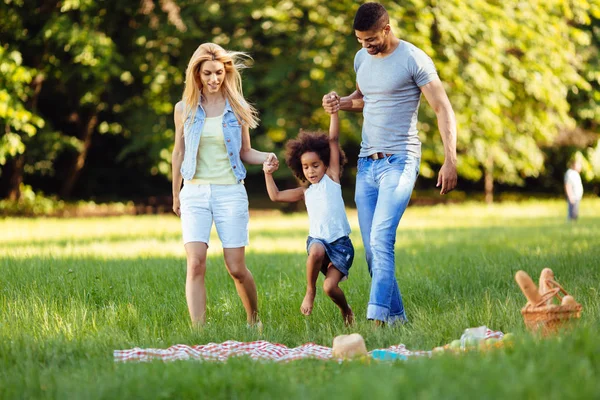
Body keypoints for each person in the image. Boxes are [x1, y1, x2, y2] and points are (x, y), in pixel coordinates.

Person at [322, 2, 458, 325]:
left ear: (386, 28)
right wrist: (340, 102)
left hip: (400, 160)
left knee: (382, 239)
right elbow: (365, 99)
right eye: (360, 41)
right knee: (371, 251)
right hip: (367, 165)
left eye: (370, 39)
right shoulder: (361, 59)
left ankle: (375, 322)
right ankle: (398, 319)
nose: (365, 46)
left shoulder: (413, 58)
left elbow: (442, 108)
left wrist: (450, 159)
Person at [171, 43, 278, 327]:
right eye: (207, 73)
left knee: (236, 268)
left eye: (219, 72)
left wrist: (267, 157)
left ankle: (254, 321)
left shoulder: (237, 108)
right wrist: (176, 193)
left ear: (226, 72)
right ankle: (199, 331)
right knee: (195, 263)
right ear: (196, 74)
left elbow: (245, 152)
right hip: (194, 191)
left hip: (230, 192)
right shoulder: (184, 109)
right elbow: (178, 153)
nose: (214, 79)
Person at [262, 109, 355, 325]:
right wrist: (267, 173)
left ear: (325, 164)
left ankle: (346, 309)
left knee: (330, 288)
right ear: (299, 168)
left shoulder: (332, 179)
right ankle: (310, 291)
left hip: (341, 245)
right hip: (318, 241)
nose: (311, 171)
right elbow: (275, 196)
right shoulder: (305, 192)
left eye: (315, 165)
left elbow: (333, 138)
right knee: (316, 250)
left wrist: (333, 113)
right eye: (306, 167)